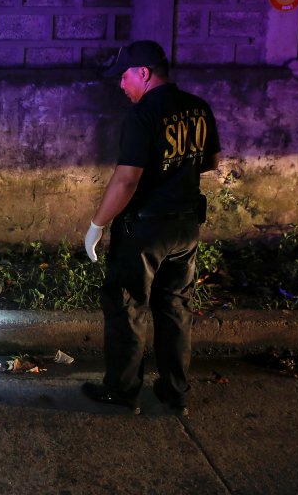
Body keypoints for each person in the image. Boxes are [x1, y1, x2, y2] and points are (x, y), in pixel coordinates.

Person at [82, 40, 221, 415]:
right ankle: (175, 391)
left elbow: (126, 181)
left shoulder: (143, 115)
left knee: (127, 306)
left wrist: (98, 224)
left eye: (124, 76)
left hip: (144, 230)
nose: (121, 84)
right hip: (186, 227)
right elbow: (211, 162)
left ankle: (123, 391)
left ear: (143, 73)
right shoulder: (199, 107)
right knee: (176, 307)